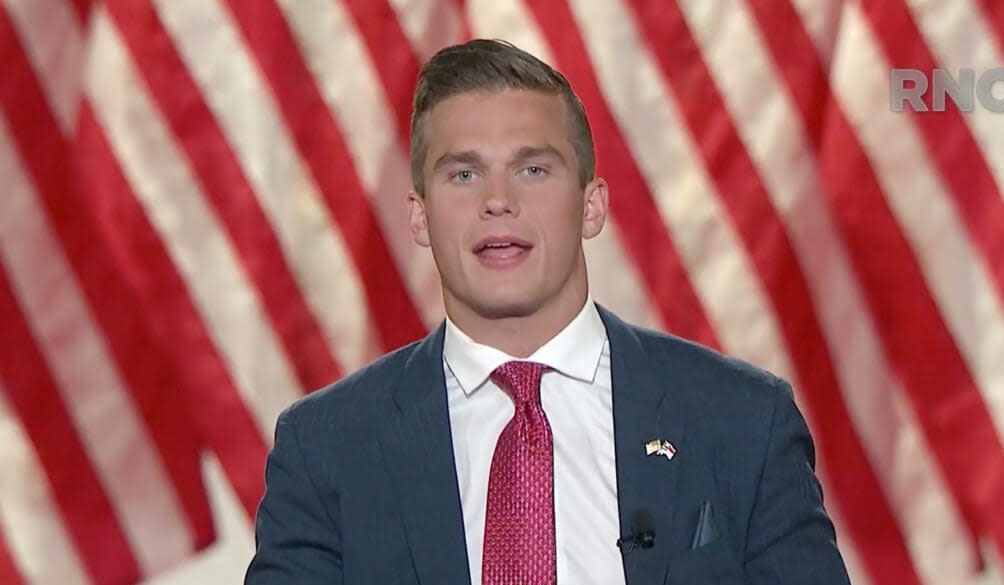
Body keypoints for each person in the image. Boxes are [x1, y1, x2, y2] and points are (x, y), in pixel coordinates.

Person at [244, 39, 850, 585]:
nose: (498, 202)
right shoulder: (326, 448)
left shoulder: (741, 420)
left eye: (533, 169)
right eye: (463, 173)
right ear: (420, 217)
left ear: (591, 206)